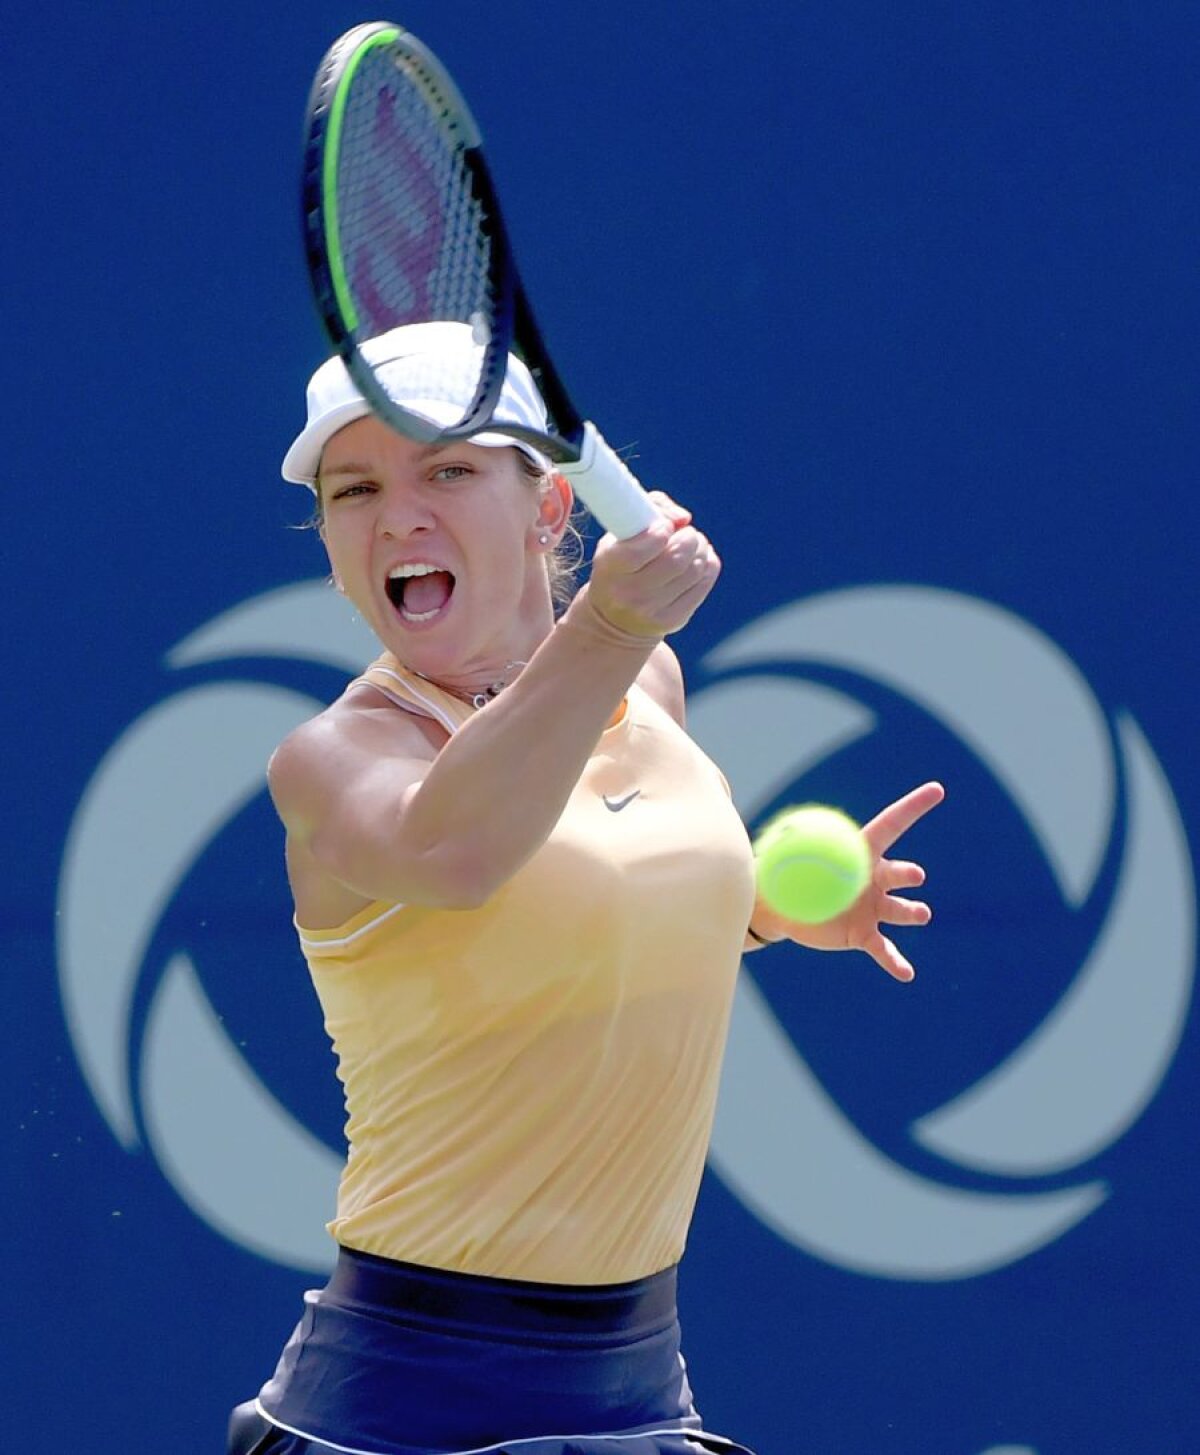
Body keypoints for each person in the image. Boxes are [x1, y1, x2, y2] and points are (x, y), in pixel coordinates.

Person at [228, 322, 944, 1455]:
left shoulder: (645, 682)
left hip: (637, 1391)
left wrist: (763, 908)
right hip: (402, 1408)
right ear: (330, 539)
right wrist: (607, 623)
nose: (400, 513)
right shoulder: (337, 759)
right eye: (354, 488)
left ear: (550, 509)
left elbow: (582, 907)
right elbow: (459, 858)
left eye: (449, 468)